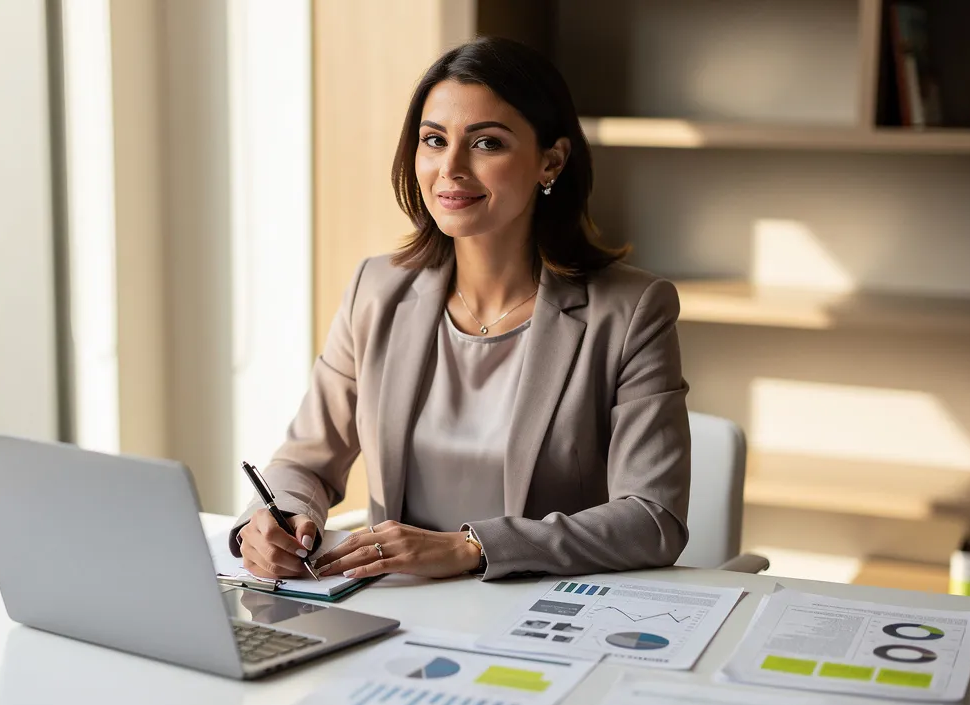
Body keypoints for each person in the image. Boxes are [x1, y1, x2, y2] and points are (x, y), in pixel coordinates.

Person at [229, 37, 690, 582]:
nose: (450, 169)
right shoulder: (376, 289)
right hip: (395, 611)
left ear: (551, 161)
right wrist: (277, 516)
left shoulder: (632, 311)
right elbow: (304, 461)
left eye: (487, 143)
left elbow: (652, 519)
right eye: (433, 140)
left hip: (537, 614)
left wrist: (473, 547)